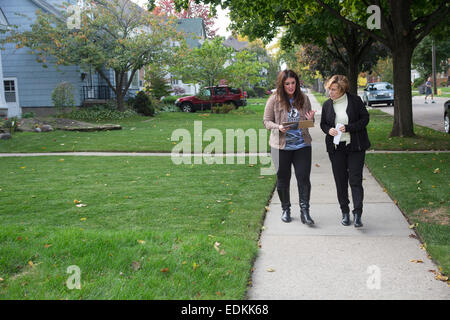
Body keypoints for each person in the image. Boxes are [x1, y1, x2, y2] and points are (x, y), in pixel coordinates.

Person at [263, 70, 316, 225]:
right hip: (281, 147)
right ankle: (286, 209)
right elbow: (266, 121)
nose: (291, 86)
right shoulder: (274, 100)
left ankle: (305, 211)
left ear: (297, 83)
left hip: (302, 146)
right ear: (282, 84)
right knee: (283, 179)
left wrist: (310, 119)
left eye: (293, 83)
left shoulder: (304, 98)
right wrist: (278, 127)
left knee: (303, 178)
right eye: (287, 84)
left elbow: (309, 123)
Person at [320, 75, 371, 228]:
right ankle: (344, 212)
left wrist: (349, 128)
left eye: (334, 89)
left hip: (355, 146)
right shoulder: (327, 105)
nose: (330, 92)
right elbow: (323, 124)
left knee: (355, 179)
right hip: (336, 149)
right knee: (340, 181)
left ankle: (357, 214)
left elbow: (365, 119)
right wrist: (329, 130)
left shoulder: (355, 101)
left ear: (342, 90)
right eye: (329, 89)